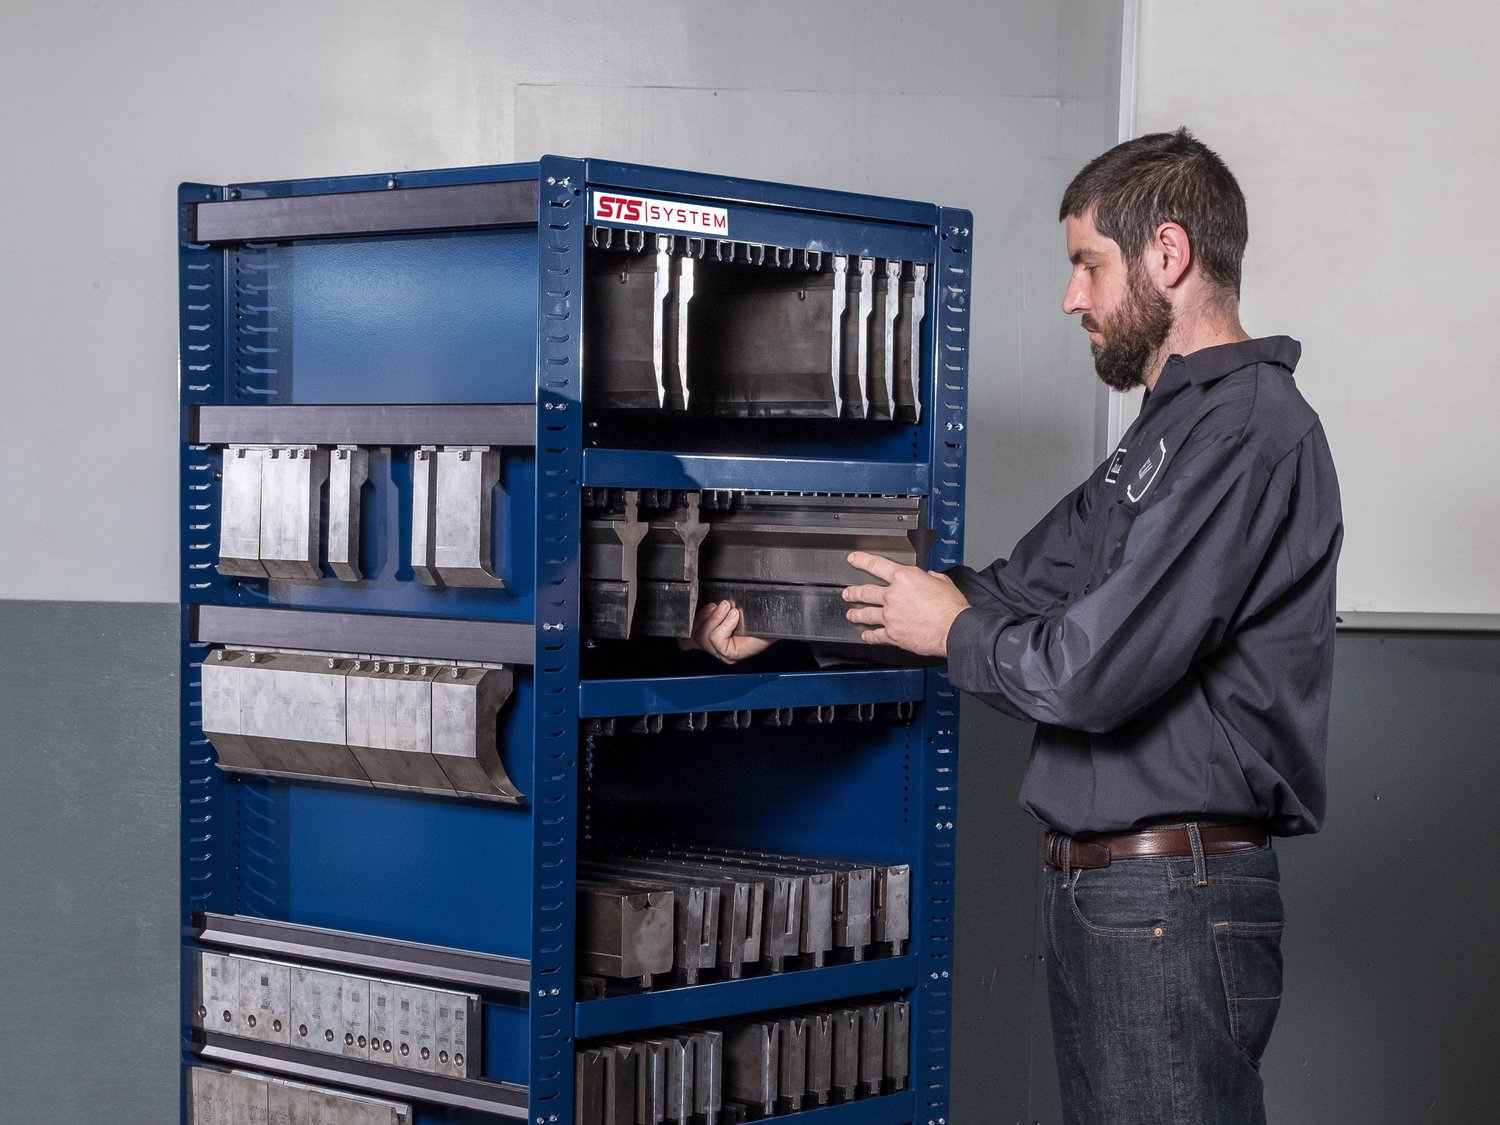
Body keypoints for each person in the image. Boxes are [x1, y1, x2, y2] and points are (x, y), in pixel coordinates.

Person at [685, 128, 1342, 1124]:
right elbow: (1011, 589)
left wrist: (949, 627)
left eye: (1088, 265)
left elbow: (1088, 670)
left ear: (1168, 255)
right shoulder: (1164, 438)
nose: (1072, 298)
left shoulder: (1246, 430)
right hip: (1117, 901)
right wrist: (797, 617)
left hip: (1171, 896)